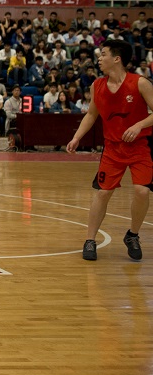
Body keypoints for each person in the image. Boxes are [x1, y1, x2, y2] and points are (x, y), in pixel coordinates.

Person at [67, 40, 153, 262]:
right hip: (112, 149)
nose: (99, 58)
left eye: (103, 54)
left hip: (139, 147)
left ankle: (132, 235)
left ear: (117, 58)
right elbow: (91, 115)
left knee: (142, 192)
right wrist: (77, 137)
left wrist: (139, 125)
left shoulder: (140, 83)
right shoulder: (97, 85)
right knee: (103, 193)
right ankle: (90, 240)